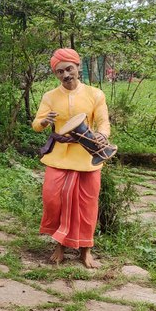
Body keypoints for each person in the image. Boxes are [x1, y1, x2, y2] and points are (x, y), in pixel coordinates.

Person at [32, 48, 110, 268]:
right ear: (55, 74)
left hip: (87, 156)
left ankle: (86, 250)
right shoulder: (50, 96)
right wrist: (44, 121)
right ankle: (60, 244)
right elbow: (36, 124)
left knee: (87, 204)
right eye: (60, 72)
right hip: (58, 156)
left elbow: (103, 122)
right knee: (53, 198)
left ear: (77, 67)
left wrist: (103, 135)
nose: (66, 75)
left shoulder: (95, 94)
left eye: (69, 69)